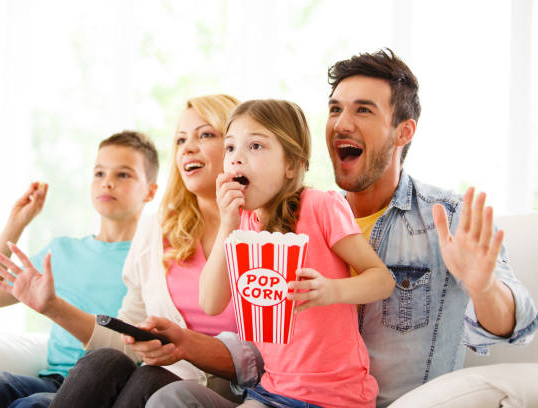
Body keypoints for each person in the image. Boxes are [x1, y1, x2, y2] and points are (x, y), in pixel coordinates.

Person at [144, 49, 538, 408]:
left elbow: (519, 327)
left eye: (363, 110)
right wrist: (186, 343)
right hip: (277, 391)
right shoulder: (273, 219)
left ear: (404, 131)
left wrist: (483, 288)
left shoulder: (446, 216)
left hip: (363, 400)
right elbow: (257, 334)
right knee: (169, 395)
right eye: (335, 110)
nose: (341, 124)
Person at [44, 94, 243, 408]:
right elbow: (128, 341)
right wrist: (50, 305)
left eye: (205, 134)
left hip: (220, 393)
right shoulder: (155, 230)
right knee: (104, 362)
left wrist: (186, 348)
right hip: (153, 387)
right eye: (180, 140)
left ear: (238, 146)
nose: (188, 148)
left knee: (155, 379)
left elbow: (269, 358)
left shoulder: (266, 233)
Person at [198, 99, 394, 407]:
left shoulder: (319, 206)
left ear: (291, 164)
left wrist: (332, 290)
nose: (236, 159)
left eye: (256, 146)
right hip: (273, 390)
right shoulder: (243, 224)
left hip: (337, 397)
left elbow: (382, 280)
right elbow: (210, 303)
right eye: (230, 148)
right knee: (173, 397)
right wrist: (227, 226)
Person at [0, 131, 159, 408]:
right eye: (99, 173)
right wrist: (16, 224)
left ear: (151, 191)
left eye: (123, 175)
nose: (107, 183)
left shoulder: (153, 258)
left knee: (33, 405)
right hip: (53, 379)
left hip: (105, 386)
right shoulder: (61, 252)